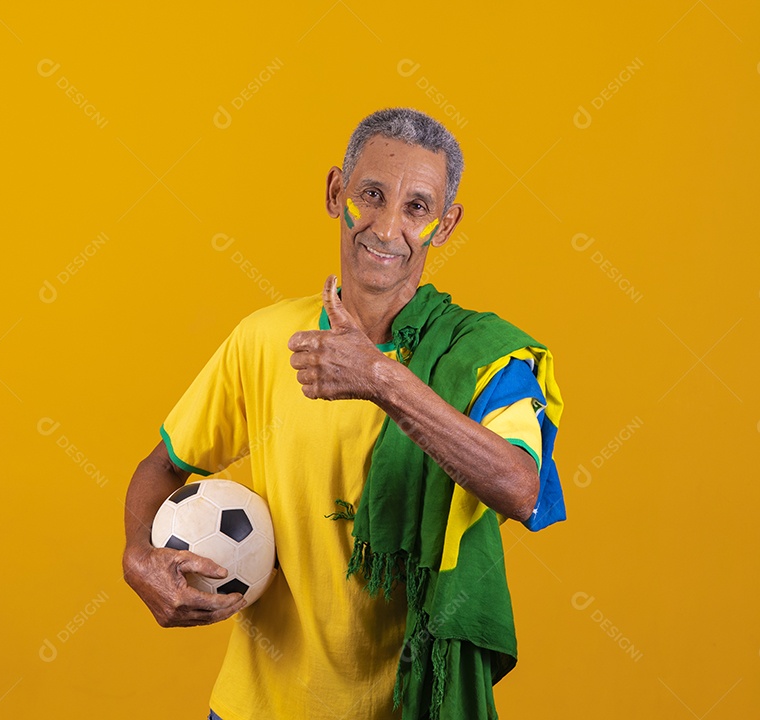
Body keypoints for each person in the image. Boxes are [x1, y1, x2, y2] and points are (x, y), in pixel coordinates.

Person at [123, 107, 566, 720]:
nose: (387, 227)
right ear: (337, 193)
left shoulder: (481, 360)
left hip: (403, 707)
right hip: (256, 707)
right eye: (372, 195)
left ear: (446, 224)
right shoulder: (265, 338)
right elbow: (161, 466)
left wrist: (380, 377)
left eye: (417, 207)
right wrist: (136, 557)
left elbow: (521, 487)